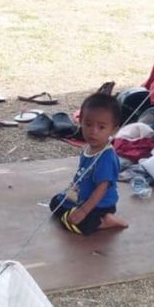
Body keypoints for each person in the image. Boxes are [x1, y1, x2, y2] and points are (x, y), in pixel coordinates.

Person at [49, 93, 129, 234]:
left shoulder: (106, 157)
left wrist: (84, 211)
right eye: (88, 124)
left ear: (114, 129)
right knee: (55, 203)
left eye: (101, 127)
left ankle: (105, 221)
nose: (93, 132)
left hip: (99, 205)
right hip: (81, 198)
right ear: (80, 122)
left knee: (83, 224)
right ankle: (70, 216)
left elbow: (101, 188)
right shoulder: (89, 148)